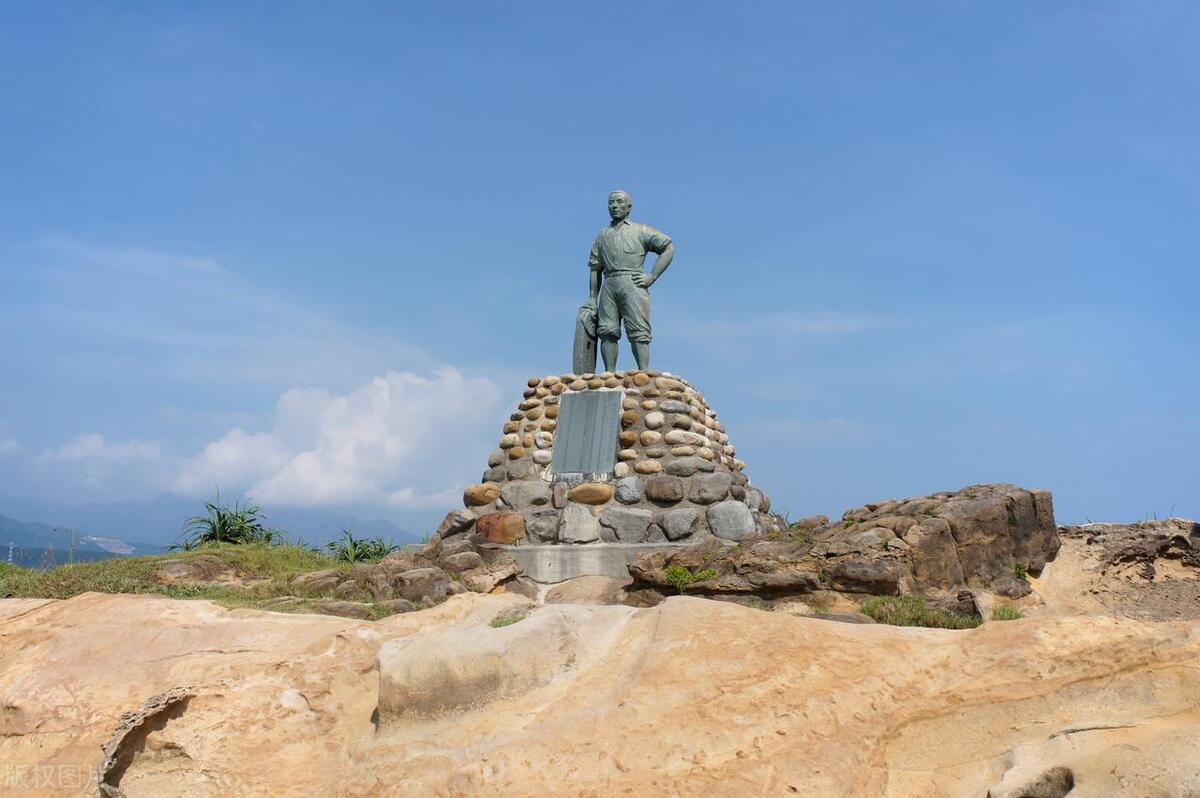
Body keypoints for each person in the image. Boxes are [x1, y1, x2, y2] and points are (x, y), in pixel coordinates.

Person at [585, 190, 675, 371]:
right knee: (607, 331)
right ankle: (609, 373)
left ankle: (644, 372)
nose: (615, 206)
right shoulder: (602, 236)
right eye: (611, 203)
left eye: (619, 202)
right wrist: (593, 298)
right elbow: (595, 268)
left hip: (633, 283)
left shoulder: (641, 230)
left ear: (629, 207)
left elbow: (668, 247)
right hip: (609, 283)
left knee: (638, 330)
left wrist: (652, 276)